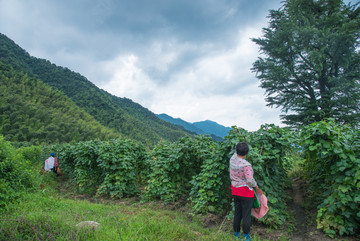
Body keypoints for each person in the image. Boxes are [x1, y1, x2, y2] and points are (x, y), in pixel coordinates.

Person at [230, 142, 262, 241]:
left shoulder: (232, 159)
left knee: (237, 213)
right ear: (246, 153)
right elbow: (250, 180)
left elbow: (237, 154)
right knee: (246, 215)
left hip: (235, 190)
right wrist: (256, 186)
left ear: (236, 151)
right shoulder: (246, 165)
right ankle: (247, 237)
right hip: (245, 192)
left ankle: (236, 234)